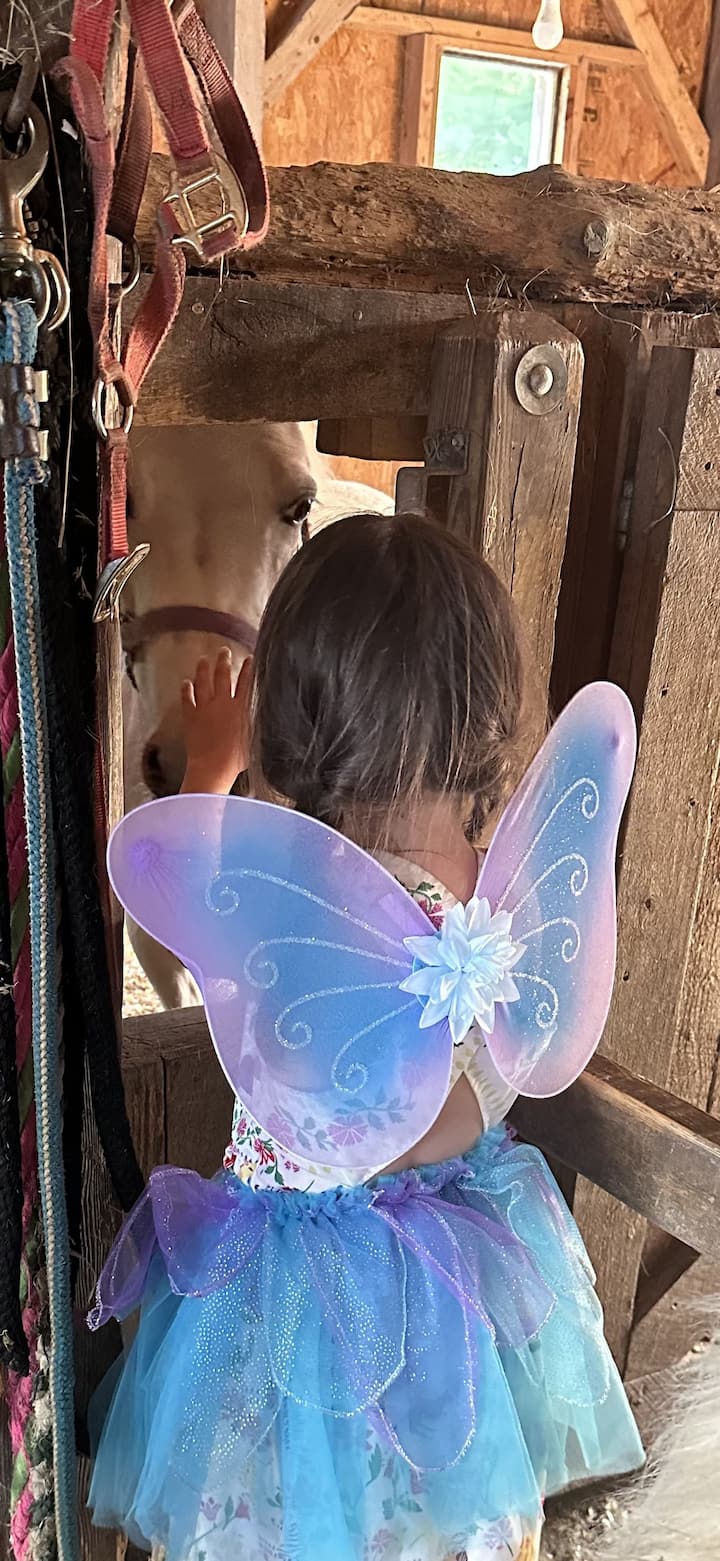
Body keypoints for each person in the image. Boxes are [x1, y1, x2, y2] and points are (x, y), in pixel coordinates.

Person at [88, 513, 644, 1561]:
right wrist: (476, 1086)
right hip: (426, 1271)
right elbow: (450, 1101)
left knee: (275, 1495)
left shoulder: (281, 884)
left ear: (291, 723)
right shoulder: (475, 894)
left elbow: (186, 896)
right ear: (484, 727)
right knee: (434, 1483)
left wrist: (212, 766)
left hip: (285, 1279)